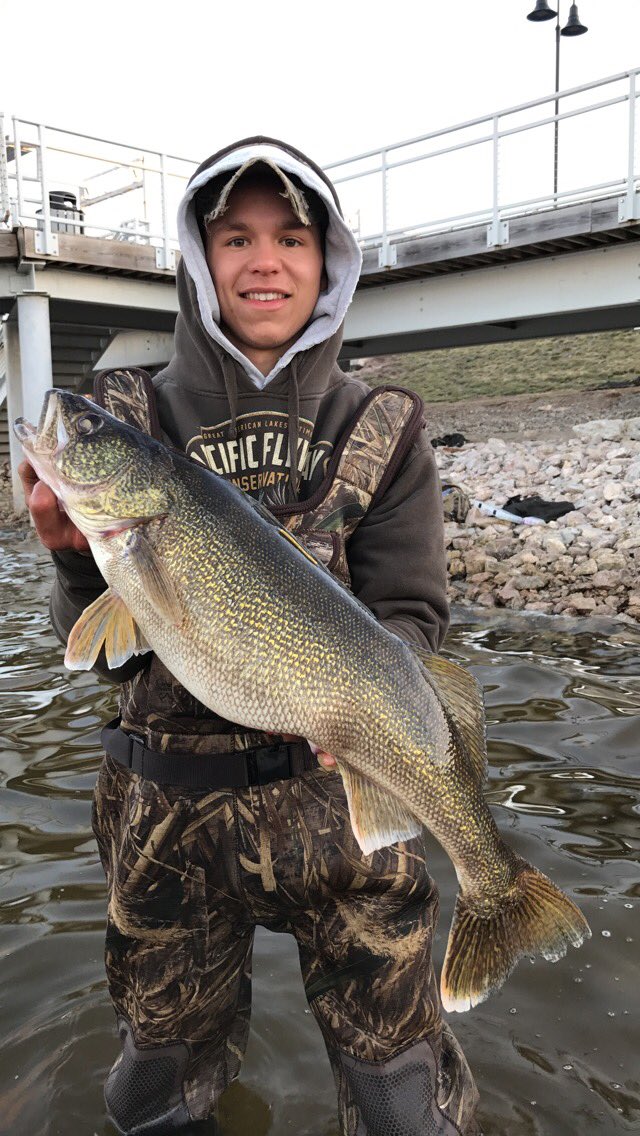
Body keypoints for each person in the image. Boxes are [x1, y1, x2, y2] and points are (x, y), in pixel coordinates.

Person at [20, 137, 480, 1136]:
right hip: (164, 814)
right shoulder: (133, 407)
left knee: (402, 1091)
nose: (262, 261)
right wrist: (71, 553)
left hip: (344, 807)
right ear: (200, 257)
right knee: (160, 1086)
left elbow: (412, 615)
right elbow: (94, 642)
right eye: (234, 236)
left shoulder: (383, 421)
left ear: (329, 261)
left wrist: (362, 707)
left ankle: (497, 890)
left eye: (290, 237)